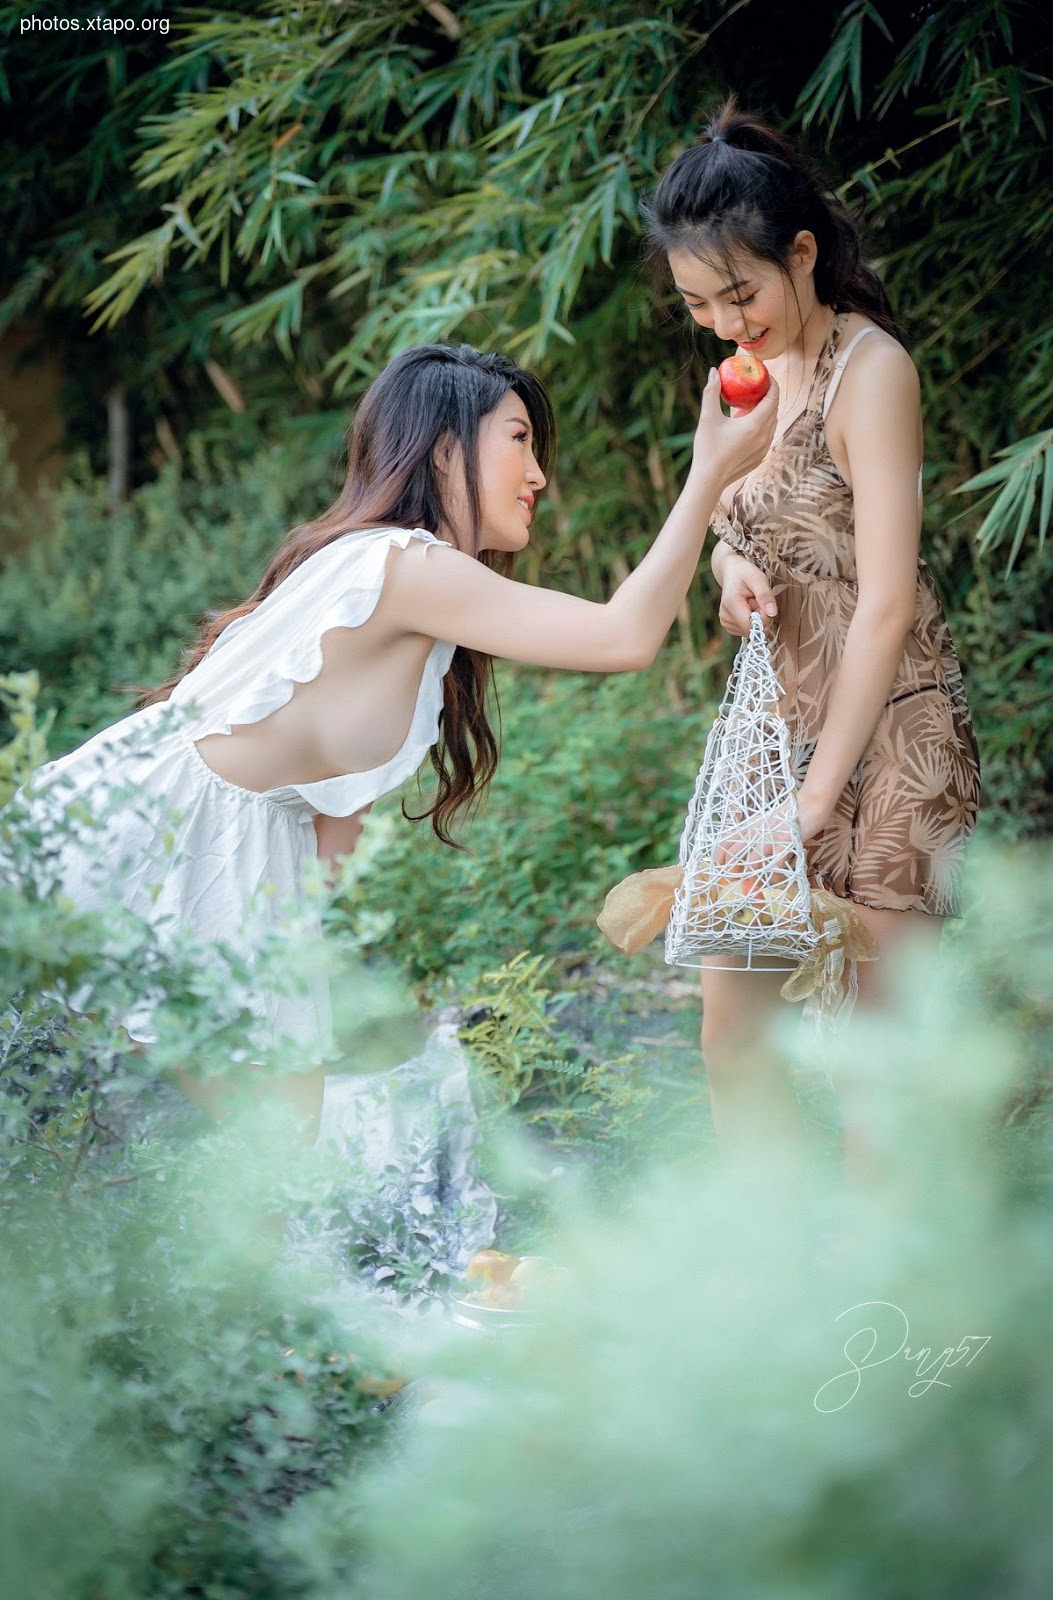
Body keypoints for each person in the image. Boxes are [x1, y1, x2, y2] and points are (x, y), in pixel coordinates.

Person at [11, 342, 777, 1140]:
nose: (539, 474)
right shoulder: (404, 568)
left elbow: (321, 823)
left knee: (265, 1170)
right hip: (153, 836)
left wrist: (291, 962)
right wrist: (708, 472)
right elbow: (623, 638)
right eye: (519, 439)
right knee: (213, 1162)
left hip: (241, 854)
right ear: (446, 449)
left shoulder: (402, 592)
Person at [640, 102, 982, 1182]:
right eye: (699, 304)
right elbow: (736, 528)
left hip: (892, 744)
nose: (726, 324)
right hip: (772, 736)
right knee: (731, 1032)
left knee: (879, 1072)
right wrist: (729, 570)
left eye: (740, 293)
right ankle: (778, 1278)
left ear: (802, 254)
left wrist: (818, 800)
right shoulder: (739, 378)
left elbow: (884, 602)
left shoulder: (870, 372)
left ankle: (887, 1327)